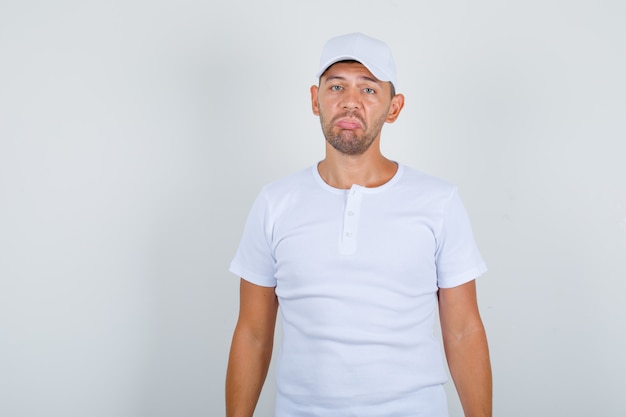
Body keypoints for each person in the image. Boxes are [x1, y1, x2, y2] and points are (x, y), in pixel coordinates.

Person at [225, 32, 492, 417]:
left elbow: (463, 329)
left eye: (368, 89)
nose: (350, 101)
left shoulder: (438, 201)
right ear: (315, 100)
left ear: (394, 107)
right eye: (336, 86)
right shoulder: (275, 203)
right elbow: (252, 334)